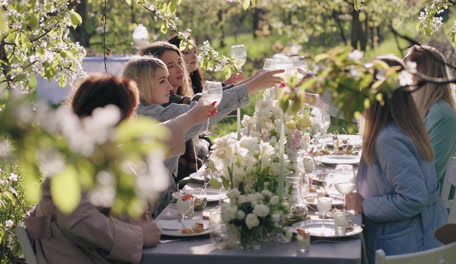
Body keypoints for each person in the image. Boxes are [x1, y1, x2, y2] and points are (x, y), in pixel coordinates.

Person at [25, 73, 214, 264]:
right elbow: (78, 220)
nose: (131, 120)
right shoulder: (74, 160)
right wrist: (138, 236)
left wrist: (192, 117)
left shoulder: (101, 148)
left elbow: (154, 138)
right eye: (129, 113)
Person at [122, 56, 283, 214]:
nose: (170, 87)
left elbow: (201, 103)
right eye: (162, 81)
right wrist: (253, 86)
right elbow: (199, 112)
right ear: (142, 85)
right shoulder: (150, 117)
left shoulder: (147, 110)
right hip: (155, 213)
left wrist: (250, 82)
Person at [346, 56, 447, 263]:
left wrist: (366, 206)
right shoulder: (403, 128)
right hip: (413, 236)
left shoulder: (389, 140)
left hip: (405, 247)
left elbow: (414, 198)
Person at [403, 45, 456, 185]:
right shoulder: (422, 110)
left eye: (405, 71)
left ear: (420, 74)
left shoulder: (442, 117)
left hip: (441, 203)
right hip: (420, 196)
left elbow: (426, 177)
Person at [167, 32, 243, 94]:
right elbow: (198, 103)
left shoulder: (194, 81)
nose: (194, 56)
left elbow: (203, 97)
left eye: (195, 52)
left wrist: (226, 84)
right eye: (186, 52)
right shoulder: (171, 89)